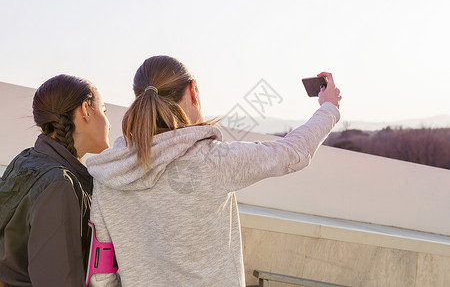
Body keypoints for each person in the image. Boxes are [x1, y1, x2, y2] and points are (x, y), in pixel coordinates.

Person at [86, 55, 341, 287]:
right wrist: (328, 108)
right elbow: (293, 153)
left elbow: (101, 273)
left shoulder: (109, 172)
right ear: (193, 90)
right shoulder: (212, 161)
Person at [0, 74, 110, 287]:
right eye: (104, 111)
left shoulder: (26, 161)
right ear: (86, 110)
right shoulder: (59, 185)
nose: (109, 124)